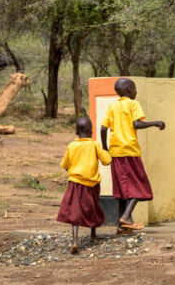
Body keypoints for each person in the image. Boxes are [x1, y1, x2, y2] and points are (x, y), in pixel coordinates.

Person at [100, 77, 165, 233]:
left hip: (115, 152)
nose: (136, 91)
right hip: (130, 151)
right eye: (135, 88)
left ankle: (121, 226)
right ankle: (126, 216)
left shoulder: (112, 107)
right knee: (140, 185)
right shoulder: (133, 104)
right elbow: (137, 124)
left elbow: (103, 129)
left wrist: (105, 149)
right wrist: (155, 122)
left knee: (123, 190)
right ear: (129, 89)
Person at [56, 116, 111, 254]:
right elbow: (106, 161)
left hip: (75, 183)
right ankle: (93, 234)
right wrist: (107, 151)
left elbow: (65, 164)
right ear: (91, 131)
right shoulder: (94, 145)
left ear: (76, 131)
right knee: (93, 207)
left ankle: (75, 241)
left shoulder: (72, 146)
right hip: (91, 184)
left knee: (75, 211)